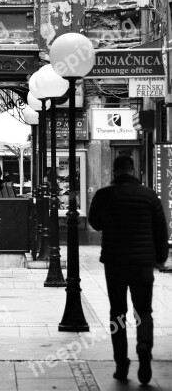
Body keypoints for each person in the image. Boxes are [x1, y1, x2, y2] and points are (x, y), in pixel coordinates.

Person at [88, 155, 168, 385]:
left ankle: (121, 363)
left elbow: (95, 223)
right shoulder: (149, 195)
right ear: (133, 171)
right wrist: (160, 257)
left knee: (118, 313)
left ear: (115, 172)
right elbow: (161, 230)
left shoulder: (105, 195)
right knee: (144, 310)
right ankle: (144, 347)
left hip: (115, 263)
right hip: (142, 264)